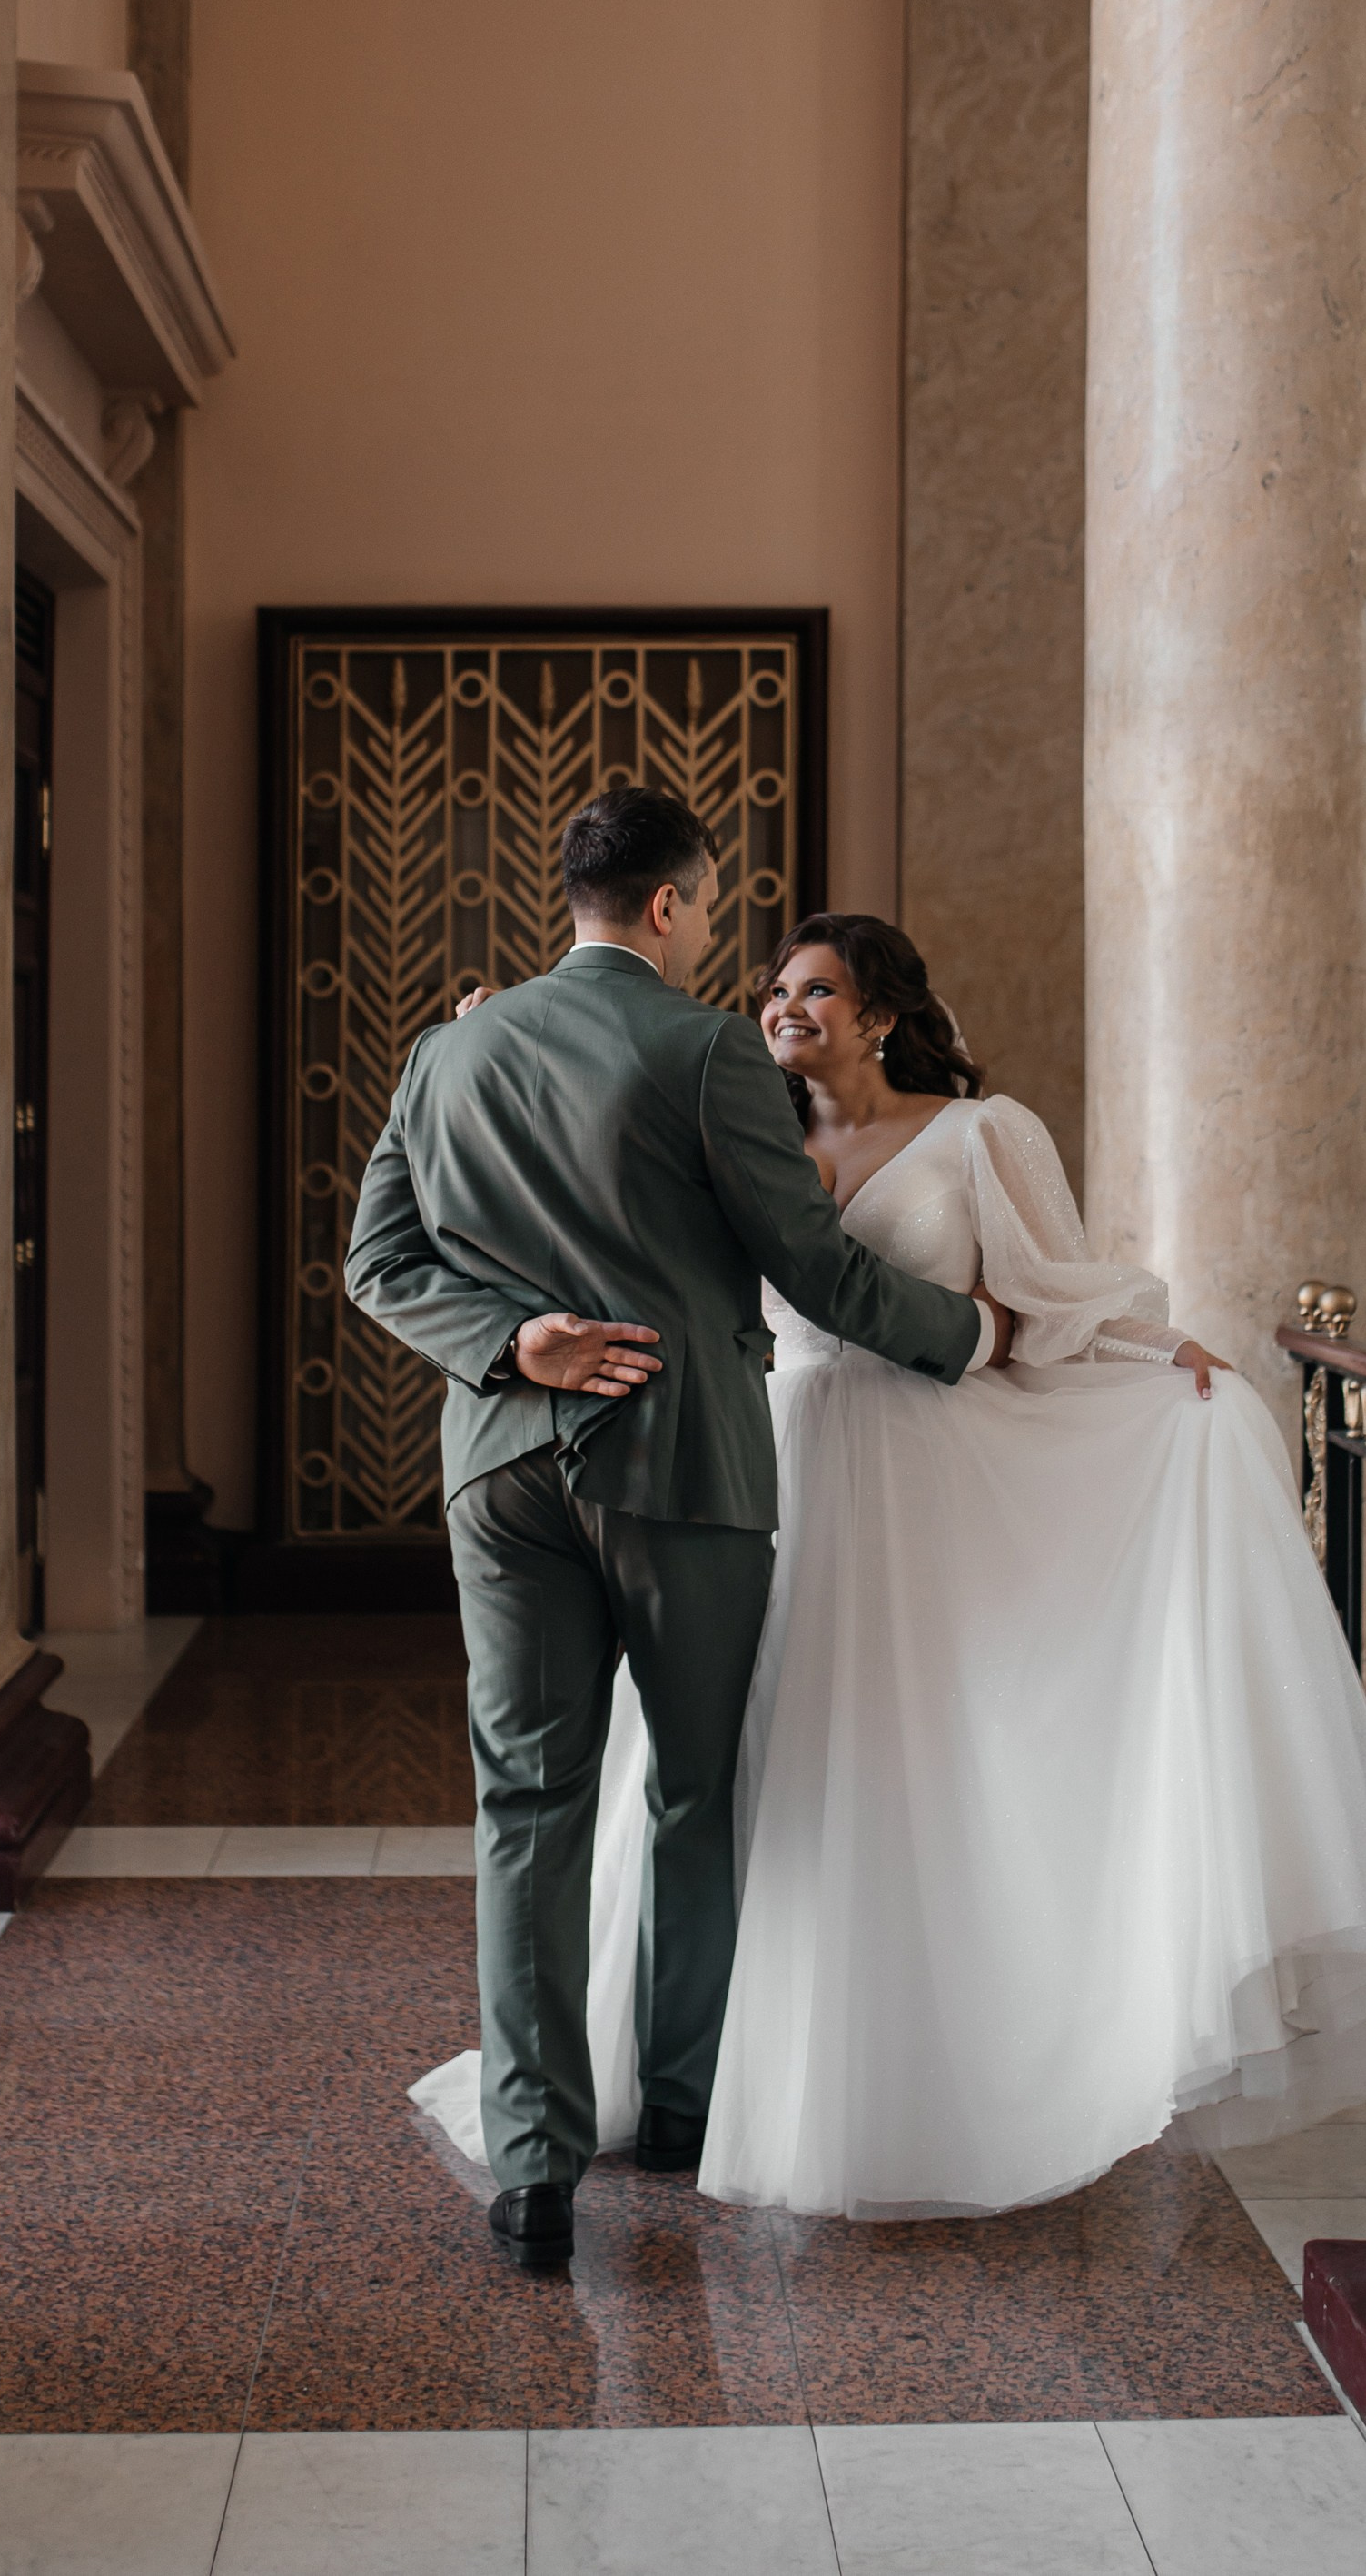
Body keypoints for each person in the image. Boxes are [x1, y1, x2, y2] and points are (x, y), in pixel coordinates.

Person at [412, 911, 1366, 2221]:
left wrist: (1150, 1353)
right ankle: (693, 2070)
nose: (784, 1009)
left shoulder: (980, 1135)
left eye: (817, 991)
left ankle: (914, 2064)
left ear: (882, 1013)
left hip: (924, 1473)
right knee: (740, 1770)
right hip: (762, 1461)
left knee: (907, 1766)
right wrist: (488, 1041)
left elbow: (1052, 1292)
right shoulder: (743, 1124)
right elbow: (592, 1165)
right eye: (775, 989)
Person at [345, 802, 1010, 2271]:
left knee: (525, 1805)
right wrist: (976, 1335)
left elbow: (375, 1265)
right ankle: (688, 2109)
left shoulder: (444, 1051)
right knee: (696, 1793)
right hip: (681, 1464)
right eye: (707, 915)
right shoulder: (704, 1047)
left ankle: (533, 2169)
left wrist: (514, 1341)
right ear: (665, 908)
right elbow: (814, 1265)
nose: (713, 939)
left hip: (497, 1475)